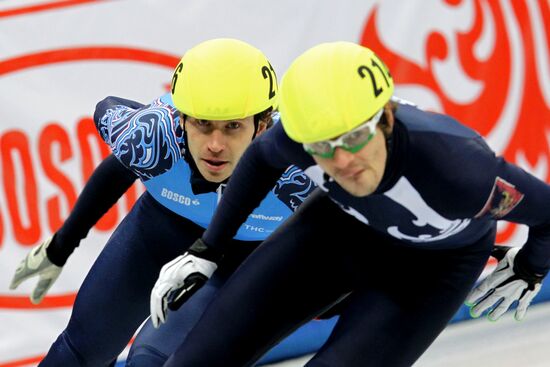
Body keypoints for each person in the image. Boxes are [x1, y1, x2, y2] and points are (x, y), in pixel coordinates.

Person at [151, 42, 550, 367]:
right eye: (323, 147)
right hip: (339, 231)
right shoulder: (298, 138)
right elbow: (258, 160)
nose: (342, 160)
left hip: (431, 270)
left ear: (386, 120)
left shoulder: (459, 171)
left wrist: (532, 266)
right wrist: (208, 248)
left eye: (355, 138)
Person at [10, 38, 318, 366]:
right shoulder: (153, 134)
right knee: (79, 353)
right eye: (202, 123)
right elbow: (118, 164)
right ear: (180, 118)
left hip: (242, 258)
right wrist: (61, 245)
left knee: (151, 360)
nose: (215, 144)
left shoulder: (298, 167)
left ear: (262, 126)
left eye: (232, 127)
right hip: (161, 231)